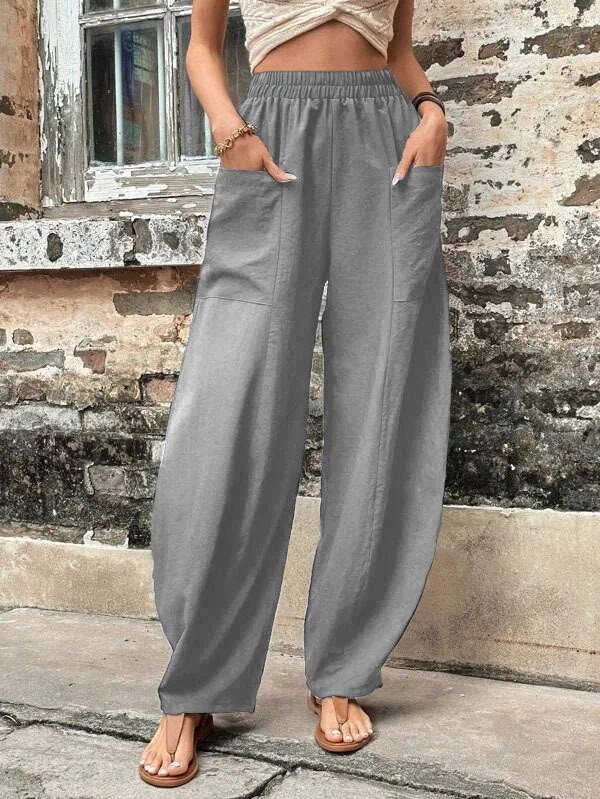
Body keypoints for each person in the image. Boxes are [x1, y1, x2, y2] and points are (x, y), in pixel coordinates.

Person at [140, 0, 451, 787]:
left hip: (387, 142)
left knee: (386, 394)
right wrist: (229, 129)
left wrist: (431, 112)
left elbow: (398, 51)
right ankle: (198, 677)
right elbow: (201, 47)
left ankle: (341, 667)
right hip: (268, 135)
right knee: (230, 404)